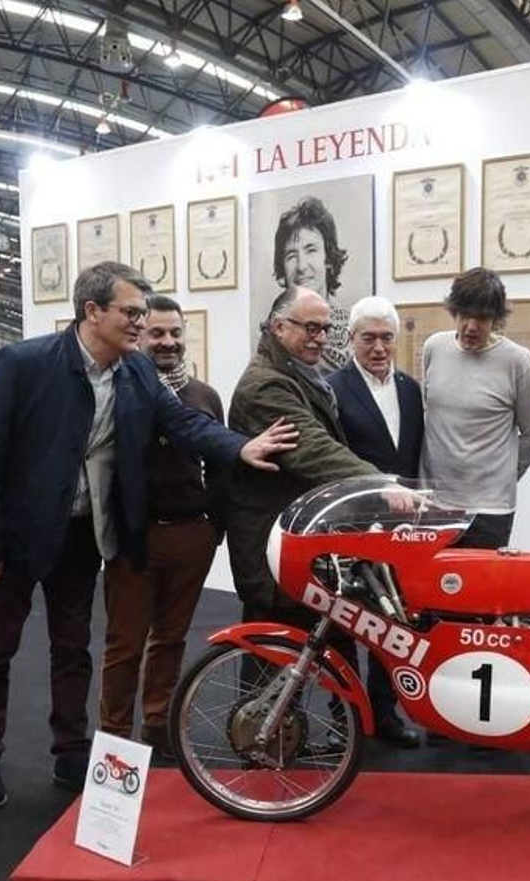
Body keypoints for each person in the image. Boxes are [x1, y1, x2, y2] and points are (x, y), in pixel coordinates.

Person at [0, 262, 296, 810]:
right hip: (16, 536)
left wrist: (239, 446)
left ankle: (71, 752)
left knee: (73, 648)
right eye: (132, 312)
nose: (141, 322)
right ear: (92, 311)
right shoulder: (22, 364)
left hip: (81, 534)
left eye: (143, 313)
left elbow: (184, 423)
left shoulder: (135, 370)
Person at [96, 294, 229, 759]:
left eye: (175, 332)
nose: (167, 342)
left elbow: (219, 467)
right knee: (124, 645)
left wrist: (213, 528)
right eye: (156, 333)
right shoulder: (119, 393)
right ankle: (114, 740)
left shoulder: (205, 397)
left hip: (191, 536)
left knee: (171, 640)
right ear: (140, 336)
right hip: (136, 540)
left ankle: (158, 725)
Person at [225, 286, 379, 628]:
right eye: (311, 328)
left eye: (325, 329)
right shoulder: (265, 385)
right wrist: (381, 485)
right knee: (275, 653)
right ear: (279, 327)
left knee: (327, 647)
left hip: (302, 540)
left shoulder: (302, 375)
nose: (320, 338)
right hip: (274, 547)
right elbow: (312, 449)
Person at [328, 295, 425, 747]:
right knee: (344, 624)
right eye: (368, 338)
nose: (379, 347)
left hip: (401, 528)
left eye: (387, 337)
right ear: (351, 339)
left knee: (394, 623)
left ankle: (386, 715)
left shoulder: (410, 389)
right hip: (351, 523)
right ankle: (345, 719)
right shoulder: (332, 388)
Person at [418, 267, 530, 548]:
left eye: (482, 318)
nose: (471, 326)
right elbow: (430, 414)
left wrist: (504, 478)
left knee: (481, 577)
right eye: (464, 315)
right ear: (454, 311)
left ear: (496, 319)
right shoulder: (433, 348)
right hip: (434, 503)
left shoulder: (517, 361)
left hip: (489, 510)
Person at [271, 197, 350, 373]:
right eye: (291, 255)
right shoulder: (272, 331)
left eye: (311, 250)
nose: (301, 266)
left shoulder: (353, 327)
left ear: (328, 258)